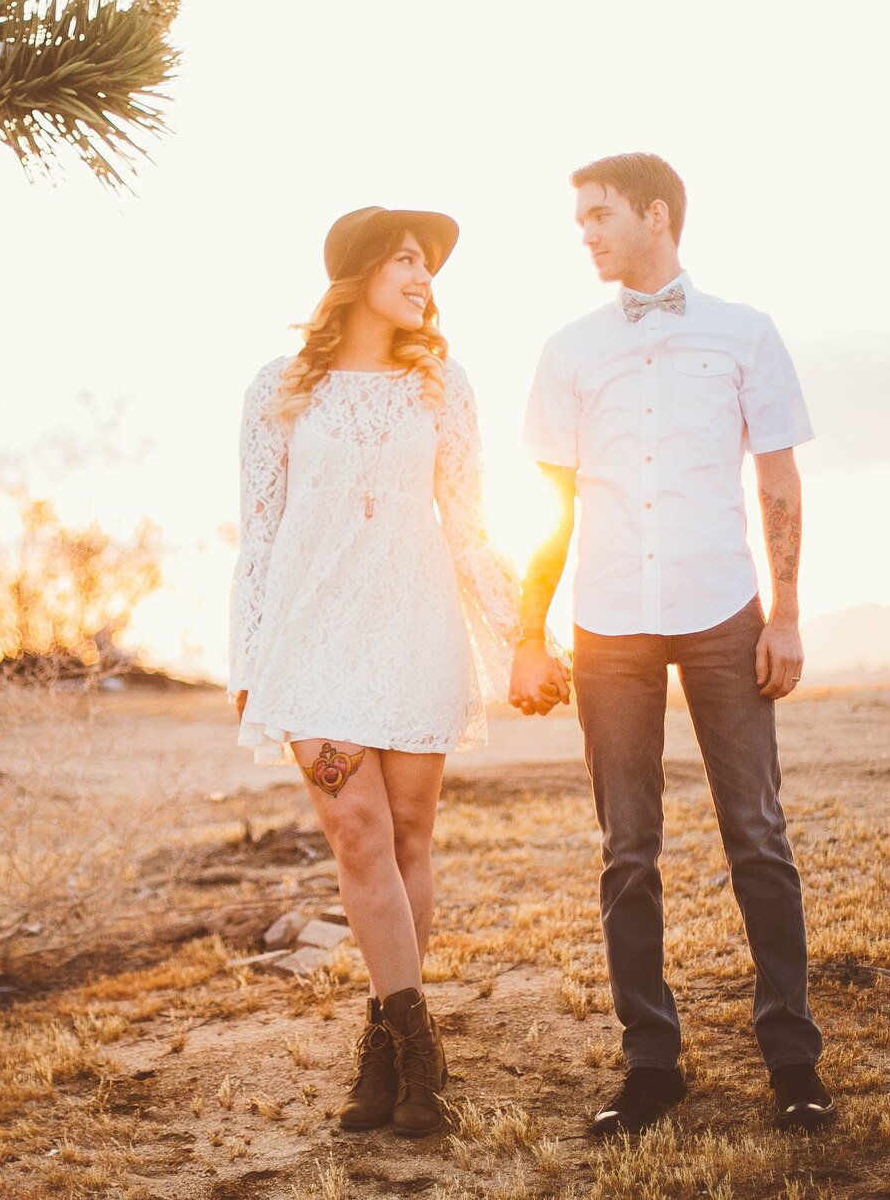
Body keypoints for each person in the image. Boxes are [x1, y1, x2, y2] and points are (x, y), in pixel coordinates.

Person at [509, 153, 835, 1136]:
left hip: (722, 612)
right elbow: (551, 510)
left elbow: (775, 481)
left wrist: (783, 611)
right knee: (627, 851)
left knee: (758, 836)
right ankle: (650, 1063)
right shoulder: (568, 349)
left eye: (600, 215)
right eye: (578, 221)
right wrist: (527, 629)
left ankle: (792, 1060)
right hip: (605, 623)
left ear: (656, 215)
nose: (586, 234)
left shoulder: (745, 333)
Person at [228, 206, 527, 1137]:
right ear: (359, 273)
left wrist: (524, 634)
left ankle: (383, 1050)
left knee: (406, 837)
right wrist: (247, 659)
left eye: (429, 266)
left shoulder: (443, 388)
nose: (424, 278)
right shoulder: (278, 389)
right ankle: (422, 1053)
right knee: (357, 835)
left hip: (415, 631)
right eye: (406, 261)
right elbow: (261, 531)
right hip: (310, 644)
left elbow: (468, 526)